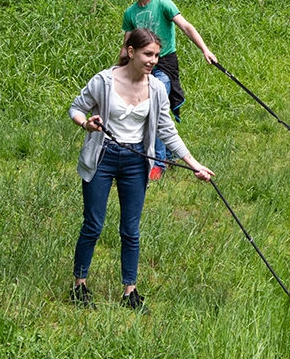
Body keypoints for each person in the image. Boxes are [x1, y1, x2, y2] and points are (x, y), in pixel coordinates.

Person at [70, 28, 215, 311]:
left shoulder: (157, 88)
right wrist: (86, 123)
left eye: (157, 55)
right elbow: (77, 107)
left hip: (136, 161)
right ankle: (79, 285)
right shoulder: (104, 81)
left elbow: (167, 131)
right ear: (131, 52)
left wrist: (195, 165)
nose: (153, 60)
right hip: (103, 157)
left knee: (131, 230)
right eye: (148, 54)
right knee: (93, 225)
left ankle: (130, 292)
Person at [121, 0, 217, 181]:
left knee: (156, 102)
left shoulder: (164, 4)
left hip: (164, 63)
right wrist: (118, 70)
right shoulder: (131, 12)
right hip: (141, 66)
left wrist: (205, 50)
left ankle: (159, 163)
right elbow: (127, 46)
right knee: (145, 108)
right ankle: (171, 152)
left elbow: (186, 26)